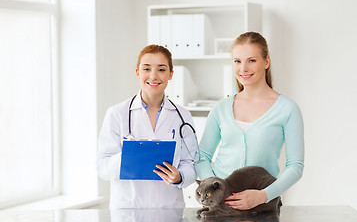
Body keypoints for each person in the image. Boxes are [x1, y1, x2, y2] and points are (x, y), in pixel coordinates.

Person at [194, 32, 304, 211]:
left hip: (263, 207)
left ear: (266, 62)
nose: (243, 68)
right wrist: (215, 188)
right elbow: (202, 157)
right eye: (237, 61)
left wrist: (264, 195)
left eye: (251, 60)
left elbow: (295, 166)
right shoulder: (221, 108)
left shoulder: (288, 109)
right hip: (220, 208)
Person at [97, 44, 197, 209]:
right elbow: (102, 167)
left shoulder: (182, 116)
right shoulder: (116, 113)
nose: (153, 76)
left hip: (169, 208)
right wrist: (129, 156)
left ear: (171, 74)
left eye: (161, 69)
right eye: (146, 69)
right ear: (137, 72)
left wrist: (180, 176)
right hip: (129, 209)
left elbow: (190, 163)